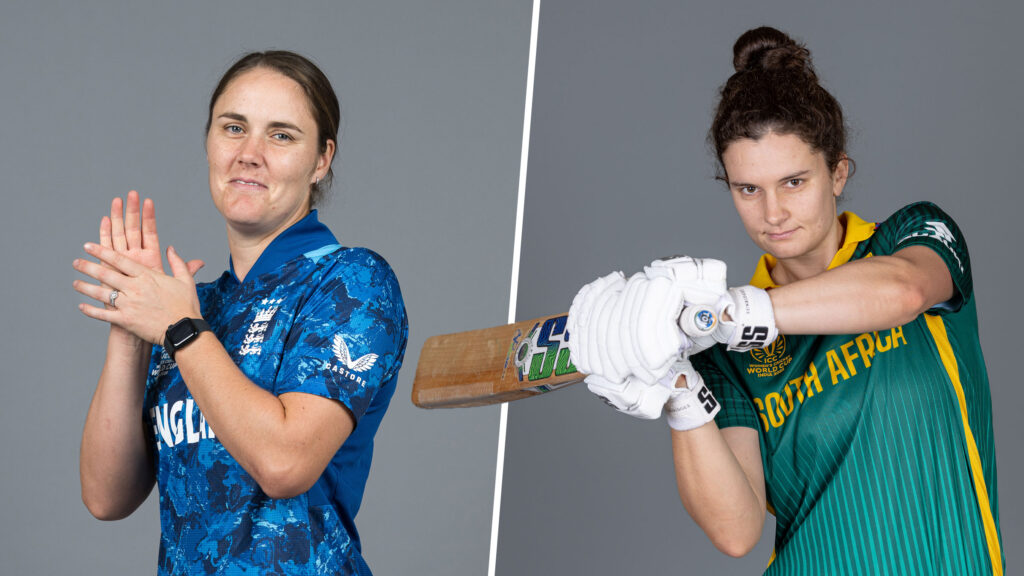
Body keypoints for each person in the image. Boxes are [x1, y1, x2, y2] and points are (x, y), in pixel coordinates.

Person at [567, 27, 1003, 574]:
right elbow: (736, 531)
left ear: (837, 172)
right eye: (748, 189)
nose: (772, 213)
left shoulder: (911, 237)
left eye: (794, 182)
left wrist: (734, 314)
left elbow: (904, 290)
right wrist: (676, 386)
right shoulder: (722, 352)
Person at [73, 51, 408, 576]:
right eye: (234, 128)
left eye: (281, 135)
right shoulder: (195, 306)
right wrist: (132, 327)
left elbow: (284, 463)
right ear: (209, 142)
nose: (249, 154)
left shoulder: (352, 282)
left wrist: (179, 329)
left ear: (321, 160)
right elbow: (105, 495)